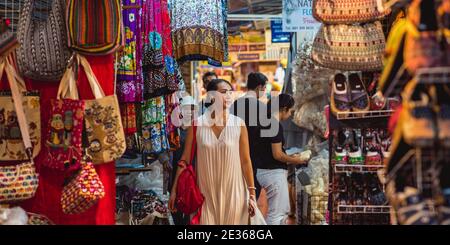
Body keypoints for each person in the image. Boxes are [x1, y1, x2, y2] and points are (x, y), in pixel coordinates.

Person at [169, 79, 257, 225]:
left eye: (230, 92)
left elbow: (246, 161)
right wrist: (174, 191)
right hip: (205, 194)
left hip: (234, 192)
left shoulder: (239, 124)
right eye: (223, 92)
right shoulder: (197, 124)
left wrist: (252, 195)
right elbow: (184, 160)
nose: (228, 96)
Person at [257, 94, 308, 225]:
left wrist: (290, 157)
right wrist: (296, 160)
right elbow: (277, 155)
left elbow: (270, 151)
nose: (290, 114)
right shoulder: (274, 125)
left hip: (263, 170)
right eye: (290, 111)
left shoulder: (265, 122)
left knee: (277, 212)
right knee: (277, 214)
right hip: (273, 174)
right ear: (284, 109)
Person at [230, 72, 268, 199]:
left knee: (237, 191)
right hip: (255, 157)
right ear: (259, 87)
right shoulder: (261, 107)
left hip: (235, 153)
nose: (265, 91)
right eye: (264, 88)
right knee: (252, 192)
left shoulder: (234, 105)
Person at [170, 95, 198, 225]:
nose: (190, 112)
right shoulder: (175, 130)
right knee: (175, 208)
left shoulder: (198, 130)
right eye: (187, 108)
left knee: (190, 208)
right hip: (176, 172)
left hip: (193, 174)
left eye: (192, 109)